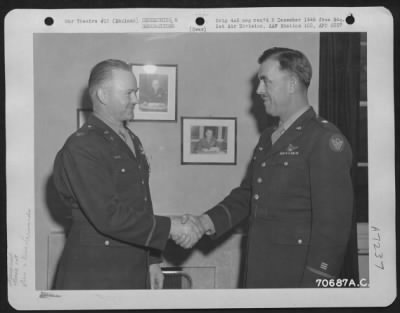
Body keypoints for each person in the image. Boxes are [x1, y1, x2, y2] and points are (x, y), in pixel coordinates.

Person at [179, 47, 355, 288]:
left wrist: (317, 285)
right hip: (261, 271)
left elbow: (333, 225)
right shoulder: (268, 138)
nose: (259, 91)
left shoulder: (323, 139)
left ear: (292, 84)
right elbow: (248, 195)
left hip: (297, 278)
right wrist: (203, 222)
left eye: (266, 82)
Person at [52, 59, 204, 290]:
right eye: (129, 93)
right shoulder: (82, 146)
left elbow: (142, 203)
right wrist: (172, 227)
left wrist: (152, 261)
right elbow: (108, 216)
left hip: (133, 265)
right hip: (95, 272)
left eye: (136, 92)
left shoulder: (130, 139)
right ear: (103, 95)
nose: (136, 99)